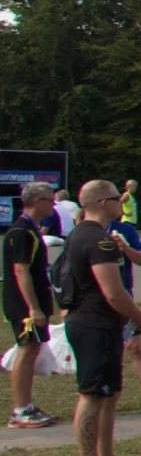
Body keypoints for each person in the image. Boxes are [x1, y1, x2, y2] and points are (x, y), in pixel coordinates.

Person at [59, 181, 141, 456]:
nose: (122, 202)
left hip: (98, 323)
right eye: (116, 198)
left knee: (109, 393)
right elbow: (113, 292)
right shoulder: (100, 241)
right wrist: (140, 317)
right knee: (92, 393)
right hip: (94, 323)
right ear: (101, 202)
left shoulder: (79, 234)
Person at [5, 183, 61, 431]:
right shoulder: (21, 232)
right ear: (37, 201)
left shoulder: (30, 230)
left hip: (33, 301)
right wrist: (33, 308)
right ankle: (20, 410)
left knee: (32, 349)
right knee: (26, 351)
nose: (53, 205)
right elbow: (20, 270)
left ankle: (26, 405)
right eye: (50, 200)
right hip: (24, 304)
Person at [105, 201, 141, 413]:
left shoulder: (124, 229)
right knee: (107, 350)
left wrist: (125, 248)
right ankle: (106, 395)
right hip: (97, 300)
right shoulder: (88, 230)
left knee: (134, 347)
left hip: (123, 296)